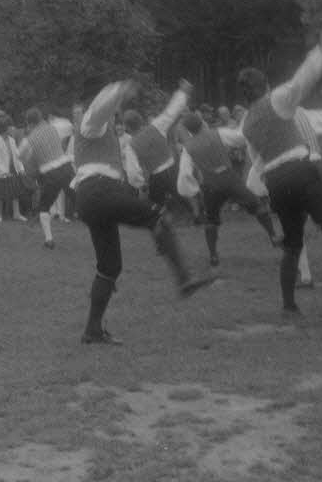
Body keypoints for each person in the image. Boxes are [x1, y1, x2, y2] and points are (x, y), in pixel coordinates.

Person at [73, 78, 216, 346]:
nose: (116, 116)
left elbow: (166, 115)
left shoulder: (97, 133)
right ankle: (184, 279)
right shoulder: (91, 124)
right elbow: (100, 107)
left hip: (90, 198)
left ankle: (92, 331)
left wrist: (180, 94)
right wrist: (120, 89)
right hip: (100, 190)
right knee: (158, 216)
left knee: (109, 267)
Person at [237, 23, 322, 317]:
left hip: (276, 182)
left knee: (292, 245)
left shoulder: (246, 124)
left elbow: (258, 160)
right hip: (302, 170)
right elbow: (303, 79)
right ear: (265, 86)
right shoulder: (277, 99)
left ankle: (289, 305)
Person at [176, 111, 280, 267]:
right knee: (257, 205)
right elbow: (239, 138)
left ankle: (213, 256)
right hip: (229, 177)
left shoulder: (187, 148)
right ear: (202, 122)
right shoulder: (218, 133)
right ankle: (273, 235)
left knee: (211, 220)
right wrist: (247, 119)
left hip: (210, 184)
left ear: (189, 130)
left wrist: (193, 190)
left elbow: (184, 174)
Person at [120, 86, 196, 223]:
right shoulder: (156, 126)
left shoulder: (131, 146)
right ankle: (197, 216)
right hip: (172, 167)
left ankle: (159, 221)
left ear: (127, 127)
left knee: (155, 203)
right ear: (141, 120)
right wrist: (183, 92)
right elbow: (171, 111)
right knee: (181, 194)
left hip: (156, 175)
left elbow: (133, 172)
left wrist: (141, 184)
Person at [18, 108, 75, 248]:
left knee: (44, 207)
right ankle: (101, 225)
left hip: (50, 173)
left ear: (29, 123)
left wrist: (31, 159)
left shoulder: (28, 140)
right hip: (66, 167)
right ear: (41, 118)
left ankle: (49, 240)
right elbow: (69, 126)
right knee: (79, 199)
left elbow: (20, 156)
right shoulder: (54, 127)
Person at [0, 114, 26, 223]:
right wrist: (4, 172)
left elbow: (16, 156)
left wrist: (21, 169)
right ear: (5, 128)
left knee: (15, 193)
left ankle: (17, 214)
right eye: (11, 126)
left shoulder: (12, 140)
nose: (13, 128)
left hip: (12, 170)